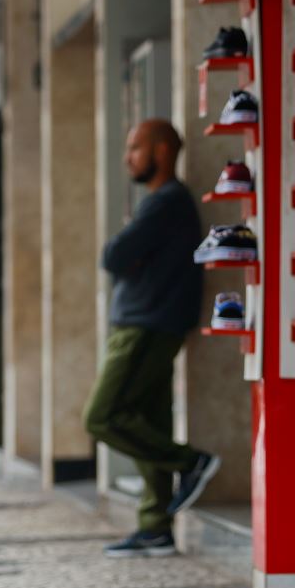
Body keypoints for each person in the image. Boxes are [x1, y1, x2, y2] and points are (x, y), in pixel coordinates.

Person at [83, 119, 219, 557]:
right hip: (150, 323)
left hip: (145, 327)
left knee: (102, 416)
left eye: (135, 148)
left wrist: (129, 256)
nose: (128, 158)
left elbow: (114, 255)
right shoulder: (163, 204)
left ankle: (190, 462)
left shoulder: (165, 202)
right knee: (148, 420)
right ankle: (156, 525)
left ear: (162, 151)